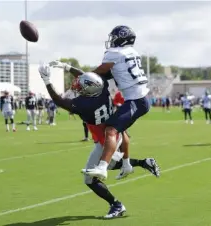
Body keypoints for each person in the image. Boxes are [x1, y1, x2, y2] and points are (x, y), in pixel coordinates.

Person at [38, 64, 159, 219]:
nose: (77, 86)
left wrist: (47, 80)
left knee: (90, 179)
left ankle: (116, 205)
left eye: (80, 87)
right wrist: (67, 67)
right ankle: (144, 163)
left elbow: (59, 100)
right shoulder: (101, 88)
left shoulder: (84, 104)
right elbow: (88, 76)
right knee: (113, 164)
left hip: (106, 141)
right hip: (113, 133)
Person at [50, 26, 150, 181]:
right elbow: (98, 75)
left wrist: (72, 74)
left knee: (111, 131)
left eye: (114, 37)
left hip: (136, 100)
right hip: (138, 98)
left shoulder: (114, 54)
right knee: (120, 130)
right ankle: (126, 165)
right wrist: (68, 67)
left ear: (121, 38)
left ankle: (102, 168)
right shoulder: (131, 52)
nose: (112, 41)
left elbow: (92, 75)